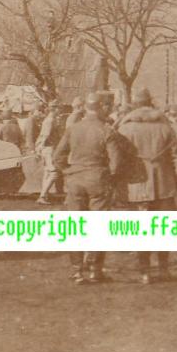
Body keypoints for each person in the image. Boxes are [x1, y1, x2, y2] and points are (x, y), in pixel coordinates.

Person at [53, 93, 122, 284]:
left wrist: (68, 172)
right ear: (100, 108)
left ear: (85, 108)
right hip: (98, 179)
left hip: (75, 180)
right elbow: (116, 164)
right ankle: (94, 270)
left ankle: (77, 270)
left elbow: (57, 156)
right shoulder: (107, 130)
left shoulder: (73, 129)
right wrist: (108, 177)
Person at [117, 87, 177, 284]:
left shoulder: (125, 128)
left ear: (135, 105)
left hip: (136, 185)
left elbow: (117, 158)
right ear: (150, 103)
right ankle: (163, 268)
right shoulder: (165, 127)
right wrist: (175, 179)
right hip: (164, 183)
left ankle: (144, 271)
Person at [35, 100, 64, 205]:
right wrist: (40, 147)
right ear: (55, 109)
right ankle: (42, 196)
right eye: (59, 108)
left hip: (47, 148)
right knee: (54, 172)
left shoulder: (49, 119)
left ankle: (43, 195)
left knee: (47, 172)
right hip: (49, 148)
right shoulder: (50, 120)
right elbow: (45, 135)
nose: (60, 110)